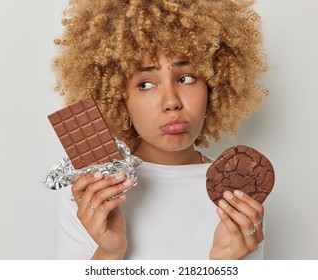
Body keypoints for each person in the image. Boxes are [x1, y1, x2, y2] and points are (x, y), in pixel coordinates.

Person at [52, 0, 268, 260]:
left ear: (213, 85)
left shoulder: (237, 193)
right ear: (119, 97)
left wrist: (223, 265)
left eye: (186, 78)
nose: (171, 102)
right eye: (145, 84)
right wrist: (109, 253)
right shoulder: (91, 192)